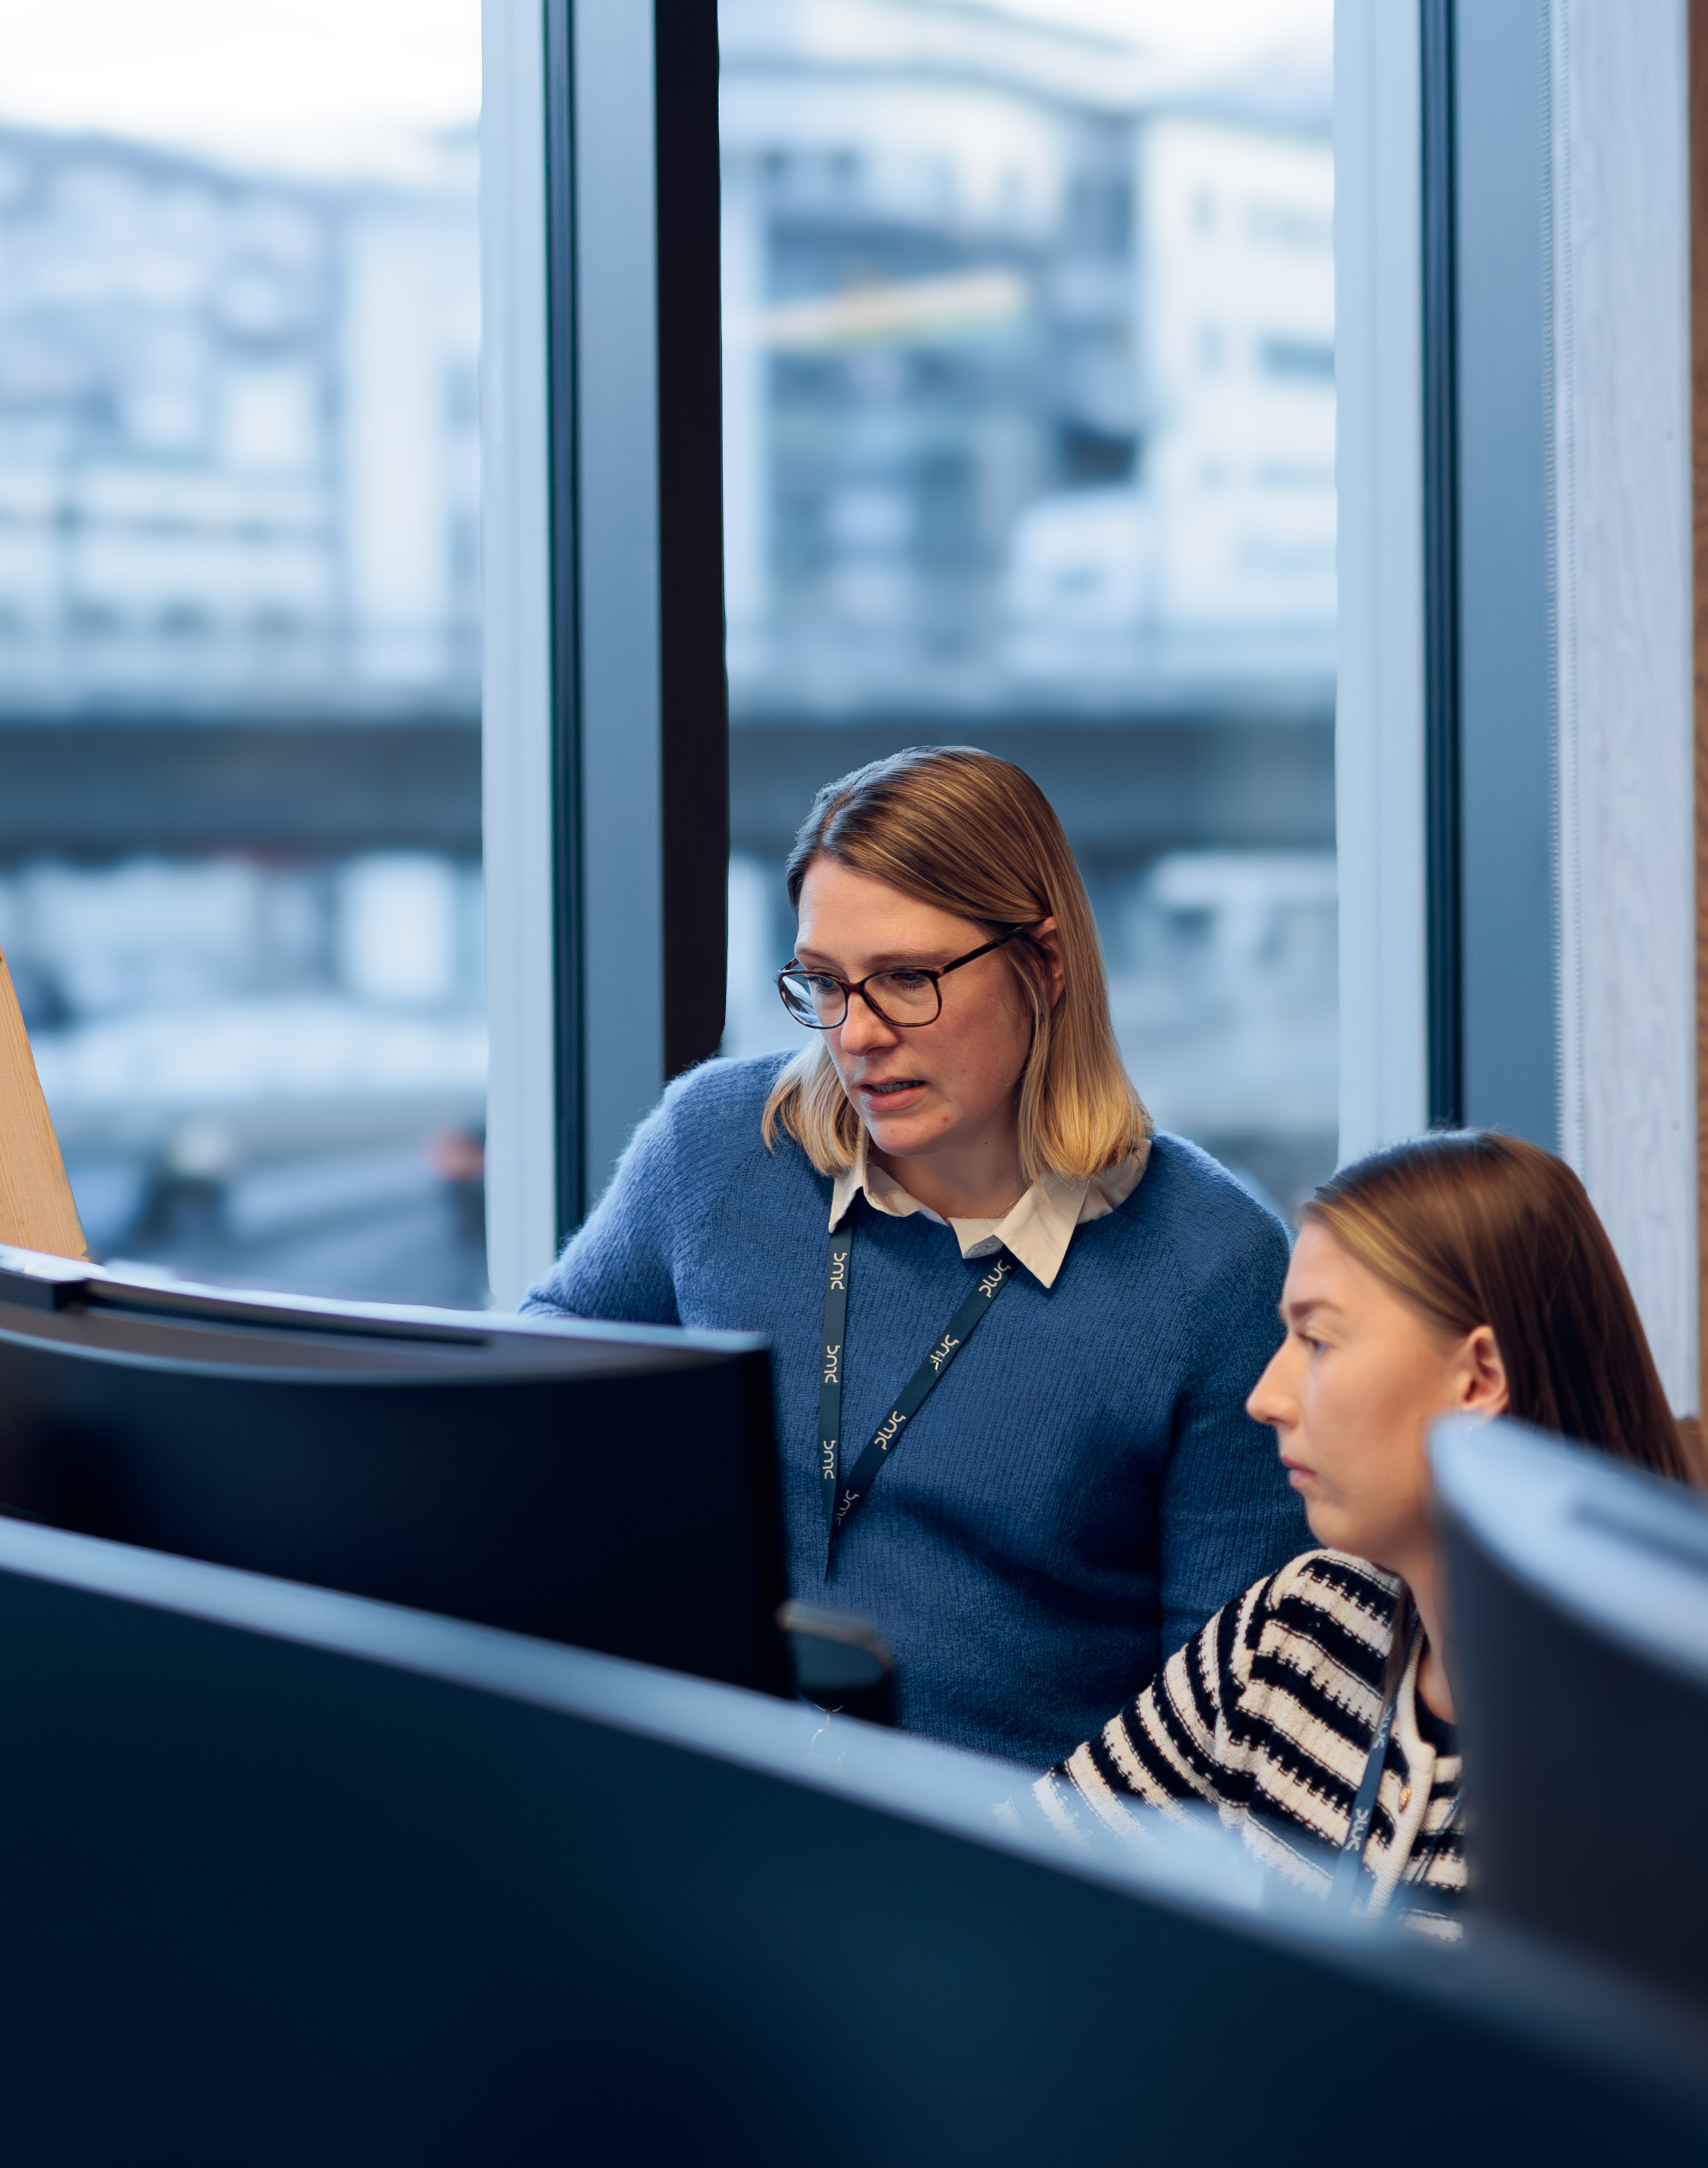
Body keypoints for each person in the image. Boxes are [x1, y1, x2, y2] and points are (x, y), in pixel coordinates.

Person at [525, 746, 1307, 1763]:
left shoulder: (1215, 1269)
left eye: (905, 980)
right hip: (713, 1801)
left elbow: (1230, 1728)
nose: (856, 1035)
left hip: (1016, 1865)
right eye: (823, 984)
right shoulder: (715, 1145)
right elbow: (542, 1383)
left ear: (1045, 963)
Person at [1026, 1130, 1692, 1934]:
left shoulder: (1653, 1784)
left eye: (1317, 1341)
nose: (1265, 1398)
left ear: (1480, 1378)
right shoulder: (1295, 1628)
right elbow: (1014, 1878)